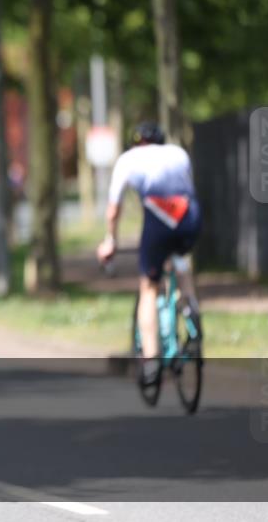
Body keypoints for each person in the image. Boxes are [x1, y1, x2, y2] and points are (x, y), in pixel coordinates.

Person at [96, 121, 202, 387]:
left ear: (136, 142)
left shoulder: (128, 159)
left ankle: (152, 360)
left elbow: (113, 210)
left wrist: (111, 240)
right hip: (189, 215)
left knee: (149, 288)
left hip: (157, 219)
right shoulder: (178, 153)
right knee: (180, 262)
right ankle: (191, 315)